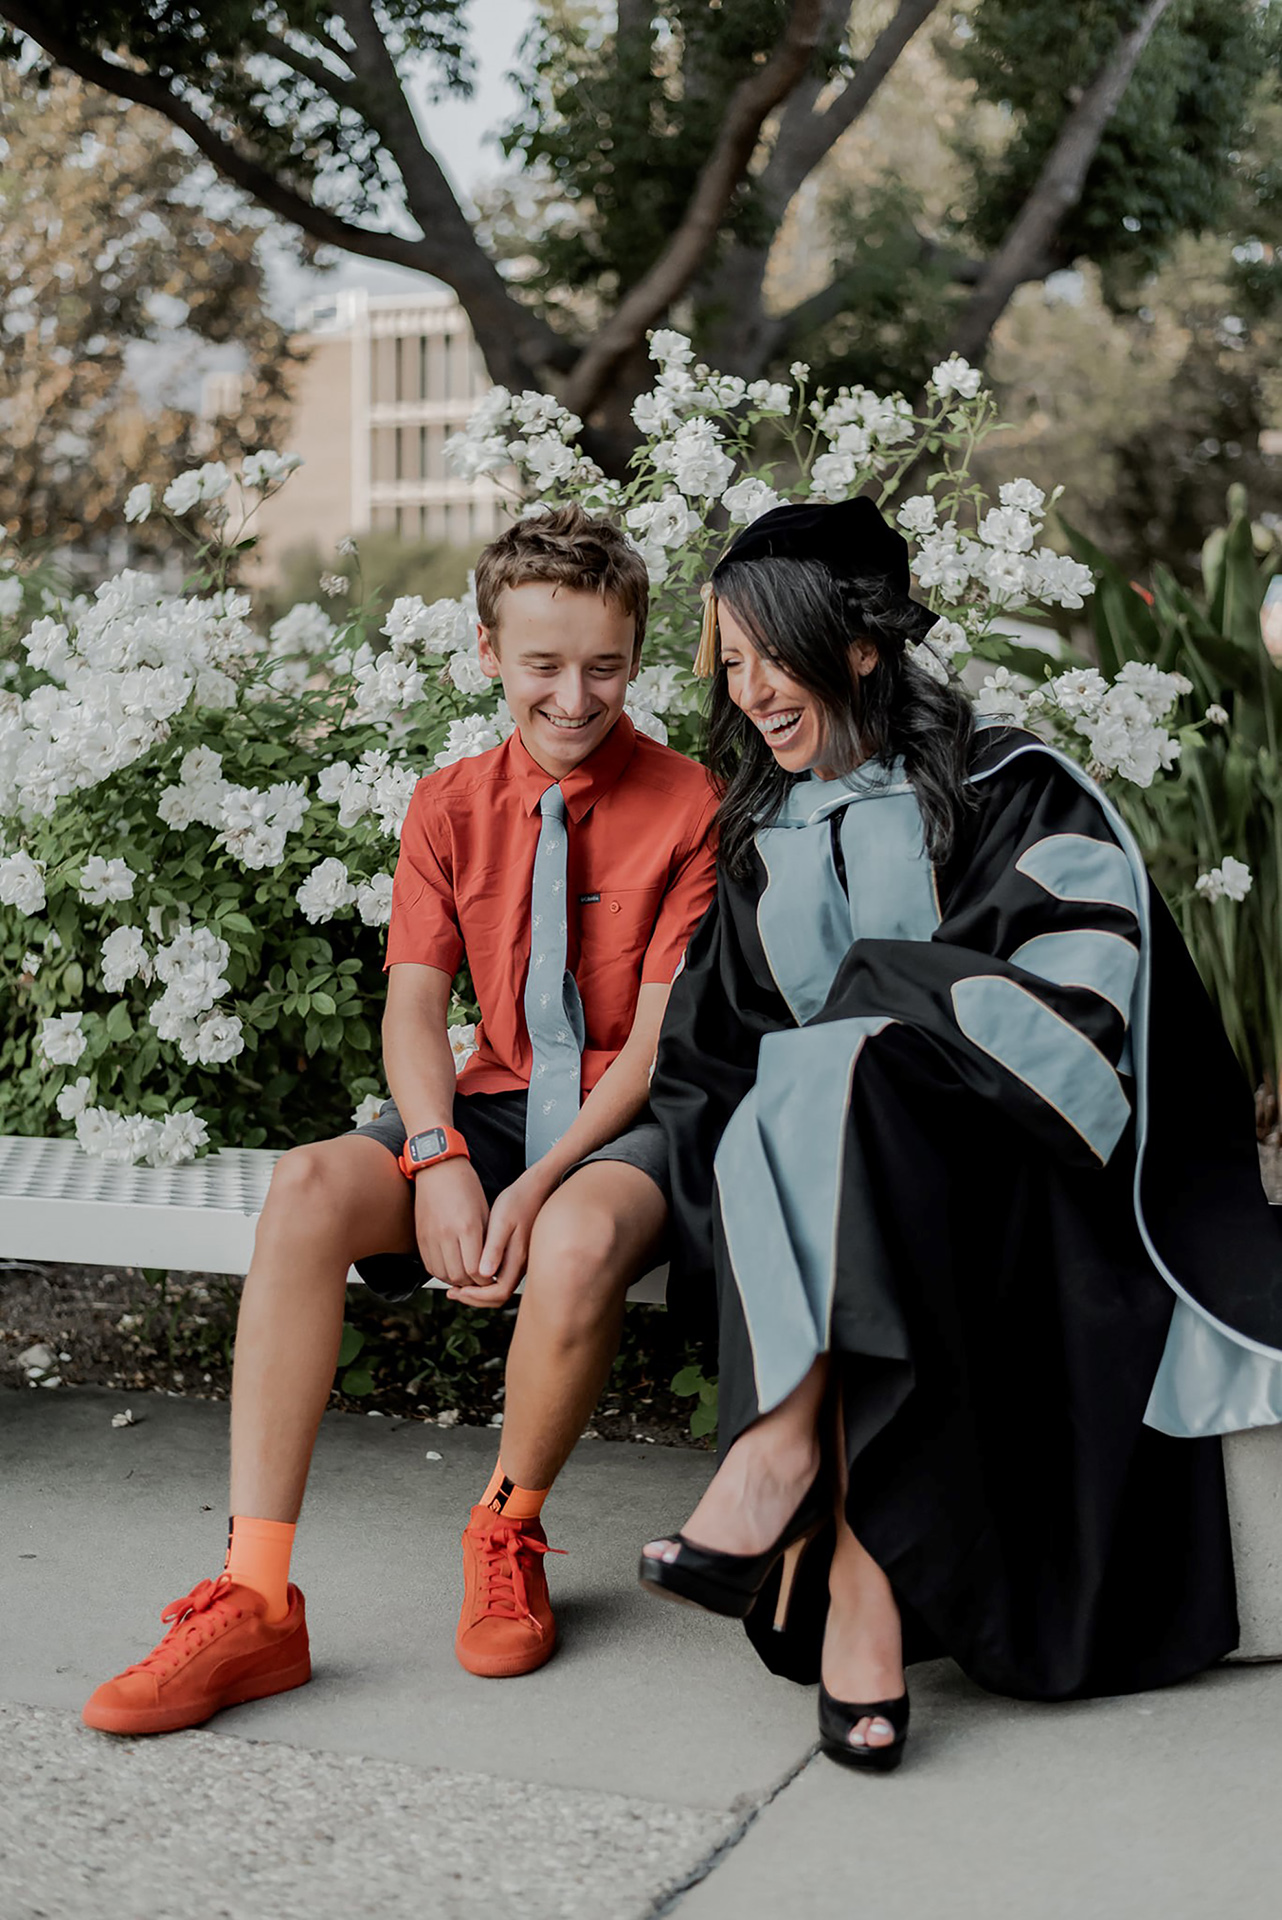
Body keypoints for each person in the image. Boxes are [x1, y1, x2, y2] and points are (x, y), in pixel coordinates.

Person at [639, 497, 1282, 1773]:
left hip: (1027, 1186)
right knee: (813, 1095)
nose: (750, 689)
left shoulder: (1014, 788)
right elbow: (707, 1069)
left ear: (862, 647)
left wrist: (879, 1009)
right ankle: (863, 1605)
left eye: (773, 654)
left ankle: (777, 1465)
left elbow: (1082, 1021)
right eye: (732, 663)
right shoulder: (756, 840)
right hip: (849, 1216)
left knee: (835, 1053)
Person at [83, 504, 718, 1735]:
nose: (573, 696)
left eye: (601, 664)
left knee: (578, 1237)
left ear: (634, 654)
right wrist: (436, 1159)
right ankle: (256, 1598)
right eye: (541, 665)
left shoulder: (694, 803)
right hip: (483, 1107)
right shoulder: (446, 804)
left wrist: (532, 1189)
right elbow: (415, 1014)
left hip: (632, 1123)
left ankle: (508, 1526)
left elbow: (652, 1046)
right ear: (488, 653)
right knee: (313, 1185)